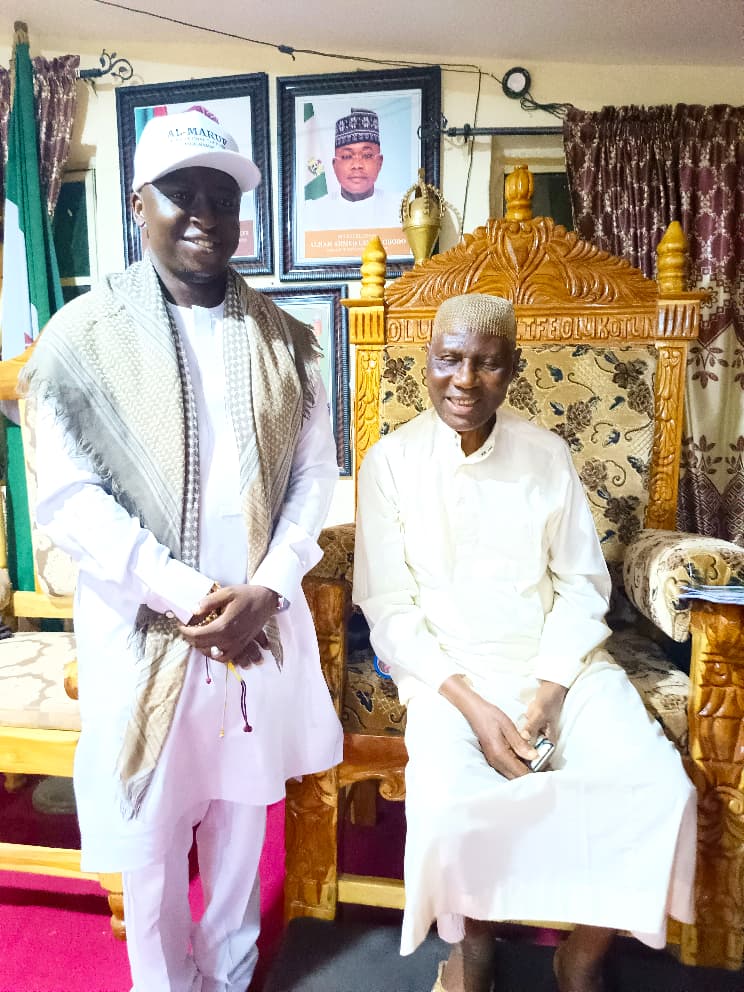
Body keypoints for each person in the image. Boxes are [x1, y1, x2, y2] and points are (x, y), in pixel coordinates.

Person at [23, 108, 343, 992]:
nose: (204, 212)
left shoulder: (286, 341)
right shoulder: (79, 340)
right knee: (153, 836)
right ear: (138, 205)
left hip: (258, 622)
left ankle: (230, 977)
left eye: (223, 196)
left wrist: (269, 586)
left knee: (242, 822)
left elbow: (315, 475)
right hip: (146, 627)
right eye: (180, 191)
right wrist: (186, 592)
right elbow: (68, 499)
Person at [352, 294, 697, 992]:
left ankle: (583, 954)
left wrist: (548, 691)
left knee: (657, 787)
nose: (464, 380)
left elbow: (581, 583)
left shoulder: (546, 454)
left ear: (513, 369)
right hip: (447, 677)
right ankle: (474, 949)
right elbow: (389, 607)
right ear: (426, 361)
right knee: (452, 804)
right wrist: (476, 709)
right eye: (449, 359)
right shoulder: (389, 462)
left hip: (561, 663)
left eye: (486, 363)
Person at [305, 108, 401, 231]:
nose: (357, 165)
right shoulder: (313, 213)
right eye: (347, 156)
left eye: (367, 155)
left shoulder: (401, 208)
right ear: (335, 165)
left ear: (379, 162)